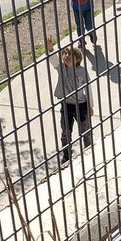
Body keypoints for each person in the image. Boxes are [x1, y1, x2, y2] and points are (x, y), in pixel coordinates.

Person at [47, 36, 93, 165]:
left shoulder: (82, 71)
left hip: (81, 105)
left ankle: (89, 150)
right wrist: (51, 48)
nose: (65, 56)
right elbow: (53, 60)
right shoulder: (61, 68)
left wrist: (90, 105)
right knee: (65, 131)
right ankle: (67, 155)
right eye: (64, 53)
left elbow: (88, 87)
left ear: (77, 59)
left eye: (69, 54)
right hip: (67, 105)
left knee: (86, 130)